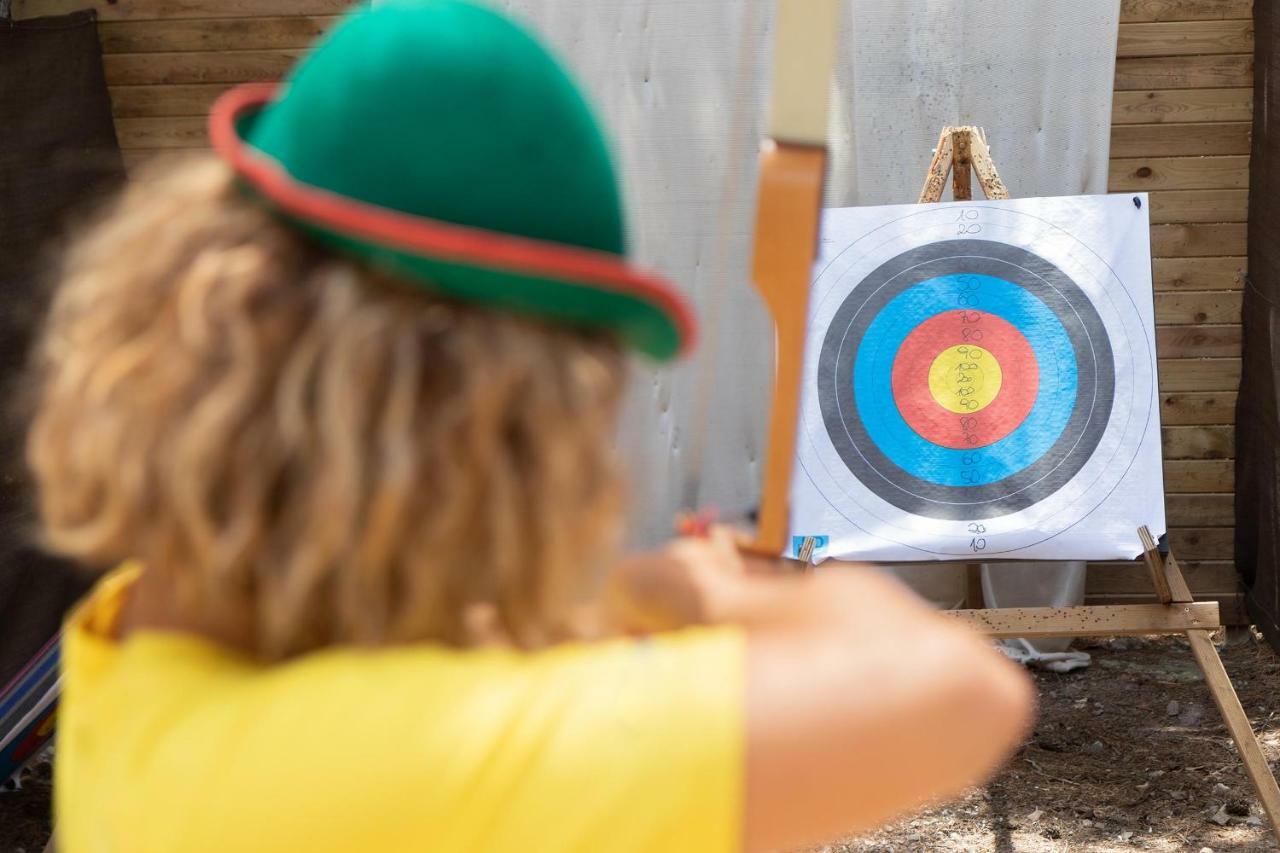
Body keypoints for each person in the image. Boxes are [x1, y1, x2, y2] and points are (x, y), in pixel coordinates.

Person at [29, 3, 1034, 851]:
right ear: (484, 436)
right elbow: (953, 691)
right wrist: (710, 597)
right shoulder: (413, 770)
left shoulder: (133, 641)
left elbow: (374, 641)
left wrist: (606, 600)